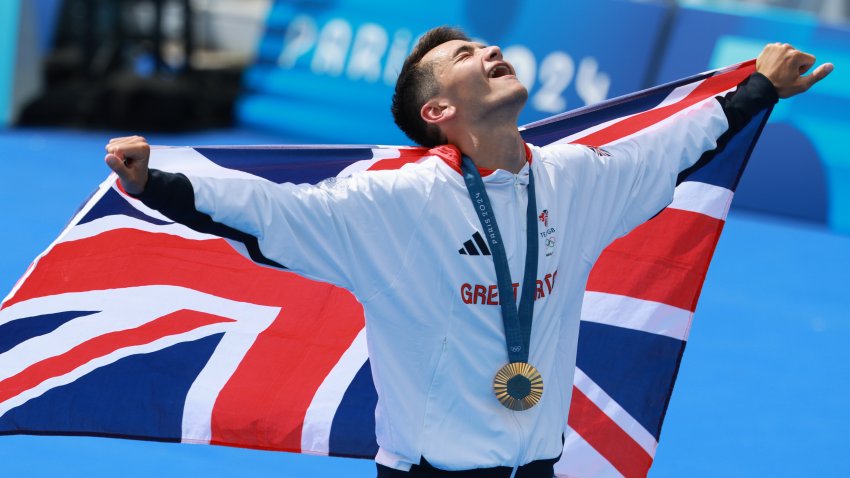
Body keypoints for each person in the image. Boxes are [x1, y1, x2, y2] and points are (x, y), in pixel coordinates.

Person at [103, 27, 832, 478]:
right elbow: (269, 210)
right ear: (437, 113)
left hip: (540, 467)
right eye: (464, 55)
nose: (489, 51)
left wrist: (760, 86)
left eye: (486, 45)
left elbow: (669, 146)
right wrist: (157, 179)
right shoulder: (395, 205)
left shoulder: (575, 181)